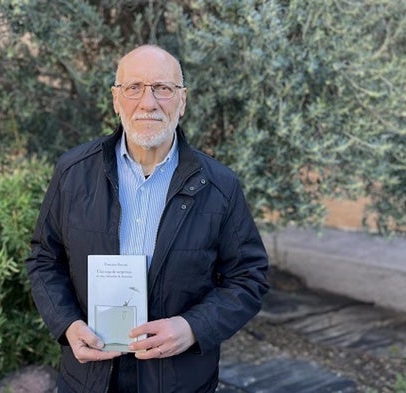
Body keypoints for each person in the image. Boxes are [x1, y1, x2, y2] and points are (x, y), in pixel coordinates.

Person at [25, 44, 270, 393]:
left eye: (163, 89)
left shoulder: (220, 185)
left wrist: (191, 328)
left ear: (182, 101)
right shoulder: (73, 172)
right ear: (115, 99)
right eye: (134, 88)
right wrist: (67, 324)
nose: (148, 102)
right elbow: (44, 259)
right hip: (88, 378)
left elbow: (249, 277)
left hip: (178, 379)